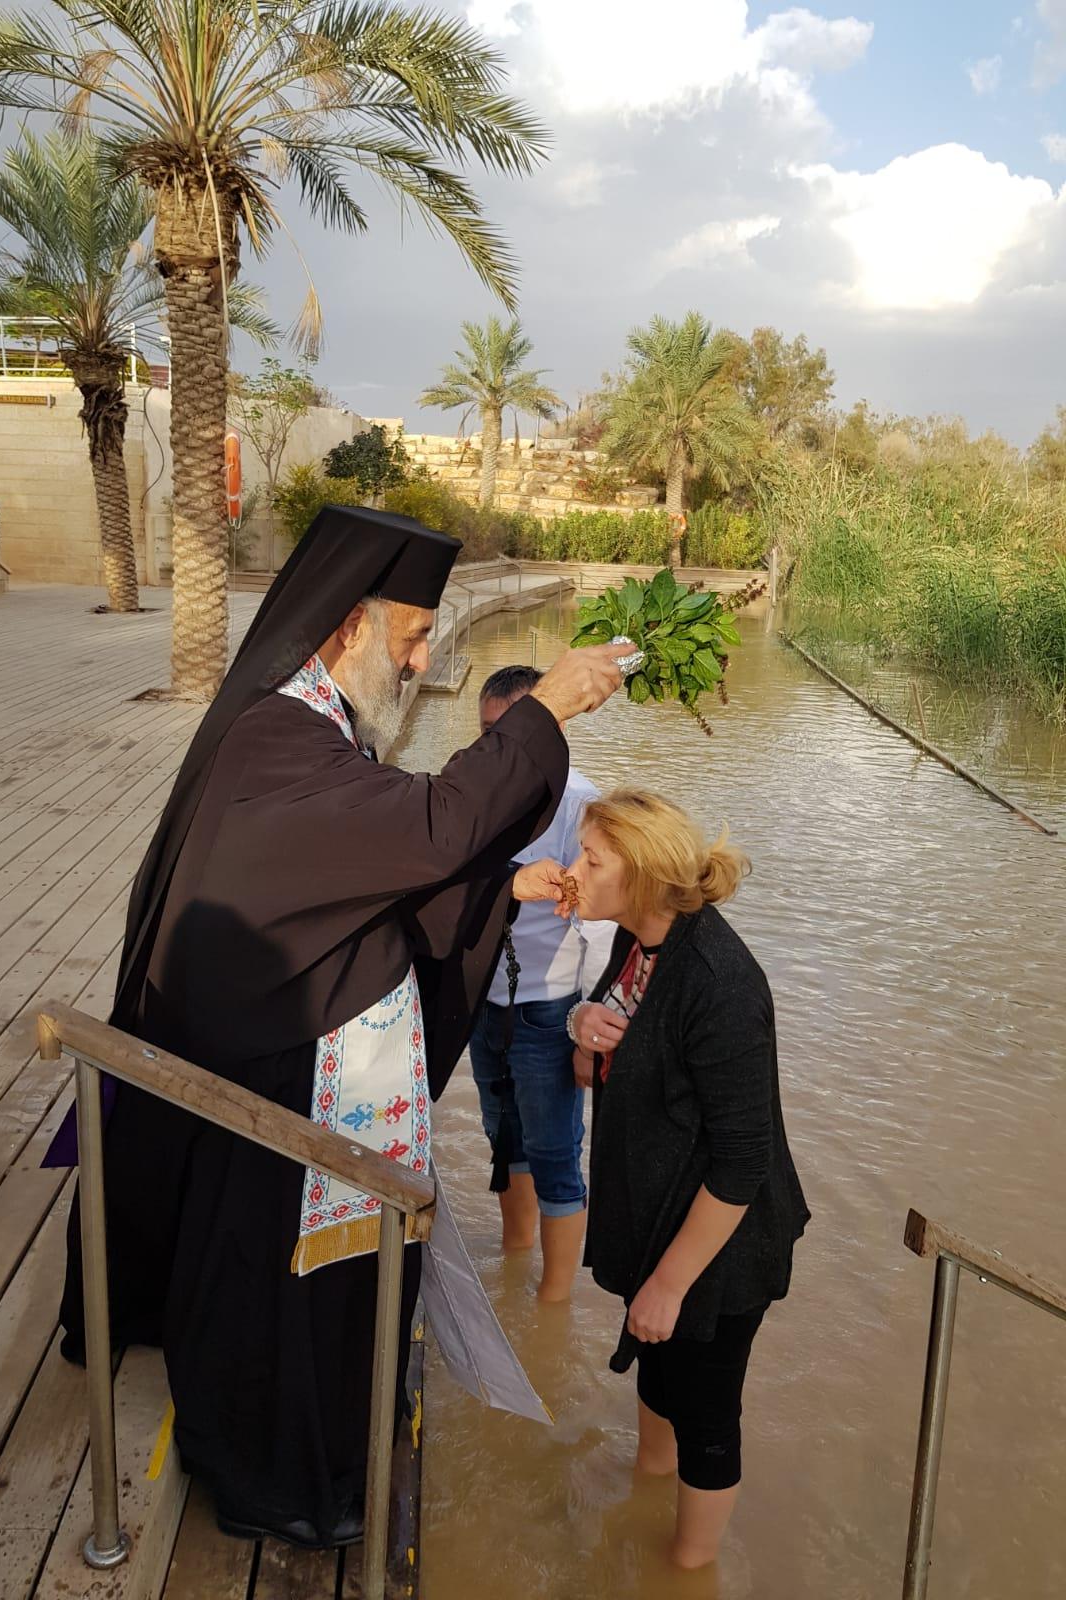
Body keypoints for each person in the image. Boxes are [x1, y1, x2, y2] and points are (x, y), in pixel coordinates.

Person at [44, 506, 627, 1552]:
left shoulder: (310, 728)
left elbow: (373, 861)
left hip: (290, 1060)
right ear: (350, 625)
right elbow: (432, 824)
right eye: (413, 635)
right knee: (278, 1306)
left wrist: (501, 888)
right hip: (273, 1089)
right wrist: (543, 710)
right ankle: (277, 1481)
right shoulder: (281, 739)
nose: (420, 661)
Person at [553, 789, 809, 1571]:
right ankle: (645, 1500)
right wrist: (580, 1030)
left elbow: (742, 1162)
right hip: (659, 1217)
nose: (573, 870)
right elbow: (599, 1067)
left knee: (705, 1414)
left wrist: (668, 1284)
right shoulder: (640, 944)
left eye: (592, 859)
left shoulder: (720, 982)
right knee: (658, 1381)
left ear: (643, 875)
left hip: (720, 1245)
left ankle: (687, 1571)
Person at [468, 665, 616, 1301]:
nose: (496, 750)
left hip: (549, 1010)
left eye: (512, 733)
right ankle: (513, 1257)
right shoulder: (470, 795)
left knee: (555, 1154)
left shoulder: (580, 805)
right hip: (485, 1003)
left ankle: (552, 1305)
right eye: (487, 735)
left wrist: (587, 1032)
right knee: (503, 1137)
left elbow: (602, 927)